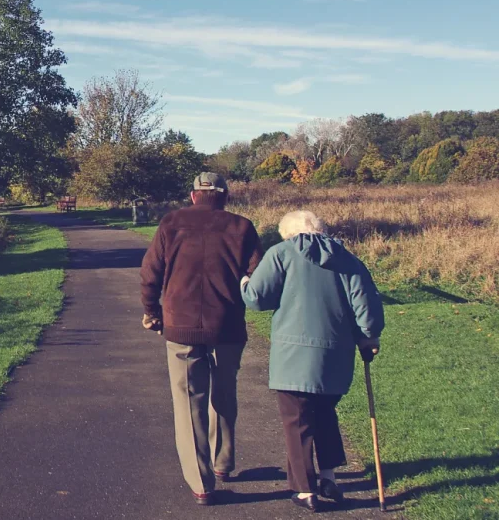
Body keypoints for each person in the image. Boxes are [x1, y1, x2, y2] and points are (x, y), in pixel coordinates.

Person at [242, 210, 384, 513]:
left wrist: (244, 282)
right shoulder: (347, 258)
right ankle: (328, 476)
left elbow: (257, 298)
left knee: (297, 421)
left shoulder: (281, 253)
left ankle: (305, 489)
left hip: (293, 355)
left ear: (288, 233)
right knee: (324, 413)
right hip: (336, 354)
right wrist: (369, 337)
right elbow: (365, 305)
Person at [139, 172, 263, 506]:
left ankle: (202, 483)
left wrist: (152, 311)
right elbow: (257, 275)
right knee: (224, 393)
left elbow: (150, 272)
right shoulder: (242, 227)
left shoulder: (171, 222)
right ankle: (223, 462)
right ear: (224, 196)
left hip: (180, 326)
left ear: (194, 195)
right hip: (228, 327)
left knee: (188, 402)